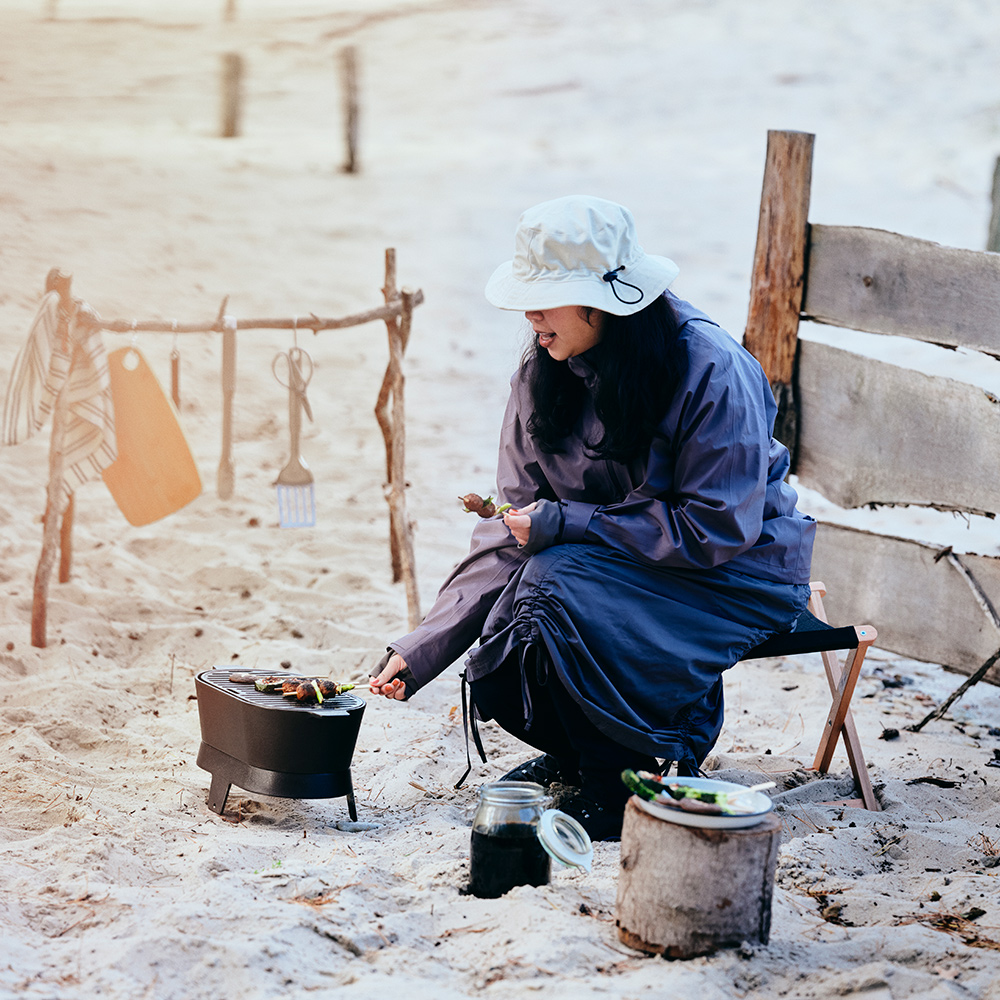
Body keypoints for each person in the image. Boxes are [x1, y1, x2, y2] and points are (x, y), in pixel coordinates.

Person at [369, 195, 816, 840]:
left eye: (546, 297)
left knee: (553, 584)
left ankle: (627, 775)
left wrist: (569, 524)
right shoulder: (541, 376)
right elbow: (509, 528)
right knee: (518, 616)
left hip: (735, 578)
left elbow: (718, 529)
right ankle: (586, 753)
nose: (529, 316)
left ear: (604, 300)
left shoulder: (712, 369)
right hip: (597, 569)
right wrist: (423, 648)